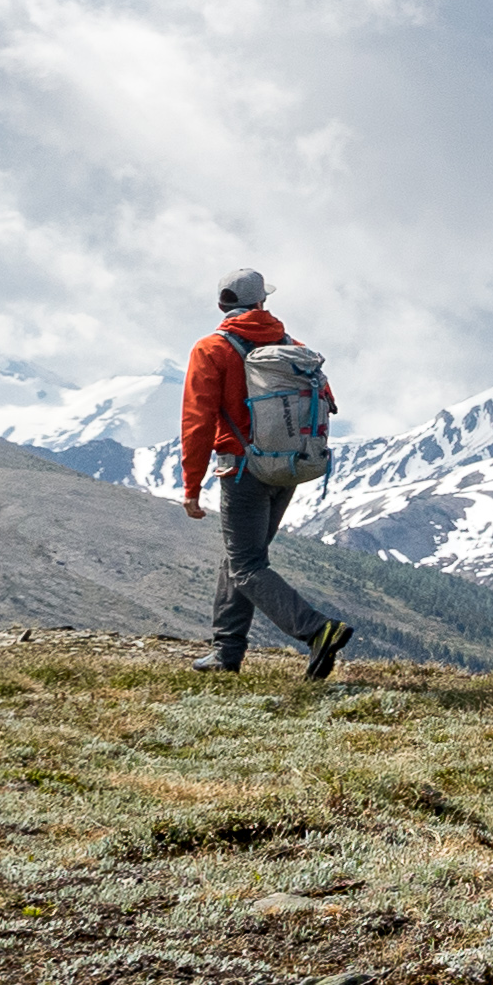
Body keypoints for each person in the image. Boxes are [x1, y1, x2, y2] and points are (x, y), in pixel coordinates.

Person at [172, 269, 352, 683]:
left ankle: (317, 629)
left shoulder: (211, 349)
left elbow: (196, 422)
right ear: (262, 303)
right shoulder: (292, 346)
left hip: (241, 470)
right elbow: (327, 401)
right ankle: (226, 650)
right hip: (284, 468)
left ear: (221, 305)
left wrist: (191, 486)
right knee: (241, 558)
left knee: (246, 564)